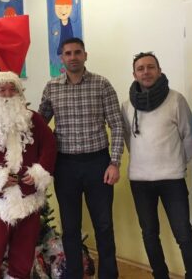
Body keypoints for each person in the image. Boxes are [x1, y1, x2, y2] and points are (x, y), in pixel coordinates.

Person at [38, 37, 126, 279]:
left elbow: (117, 125)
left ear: (85, 55)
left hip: (98, 164)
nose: (73, 57)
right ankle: (74, 274)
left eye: (77, 52)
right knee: (70, 227)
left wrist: (114, 162)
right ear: (61, 58)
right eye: (68, 53)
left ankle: (109, 275)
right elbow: (39, 125)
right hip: (65, 166)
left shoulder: (102, 84)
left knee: (104, 225)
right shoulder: (52, 87)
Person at [0, 72, 57, 278]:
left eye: (12, 89)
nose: (7, 94)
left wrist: (39, 172)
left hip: (28, 199)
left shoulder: (34, 120)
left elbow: (49, 146)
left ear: (20, 92)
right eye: (2, 89)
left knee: (24, 254)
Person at [121, 52, 192, 279]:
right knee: (149, 234)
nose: (146, 72)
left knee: (183, 234)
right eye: (140, 68)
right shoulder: (126, 106)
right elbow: (128, 139)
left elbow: (189, 137)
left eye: (150, 67)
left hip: (172, 180)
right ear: (134, 74)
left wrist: (176, 162)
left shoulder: (176, 100)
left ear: (159, 70)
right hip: (140, 181)